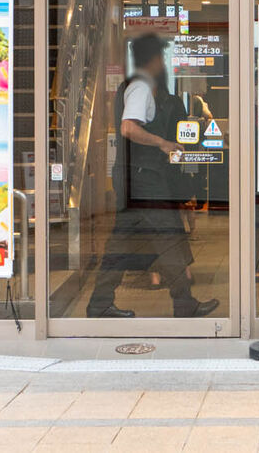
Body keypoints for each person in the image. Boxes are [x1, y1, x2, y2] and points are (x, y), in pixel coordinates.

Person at [87, 32, 219, 319]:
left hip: (135, 178)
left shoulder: (138, 86)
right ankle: (184, 303)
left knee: (119, 244)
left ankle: (99, 304)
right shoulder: (141, 87)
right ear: (154, 59)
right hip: (144, 178)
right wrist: (162, 143)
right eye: (161, 57)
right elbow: (129, 128)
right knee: (169, 236)